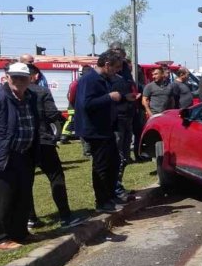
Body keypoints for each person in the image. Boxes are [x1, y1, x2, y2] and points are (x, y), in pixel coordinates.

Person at [0, 63, 39, 250]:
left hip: (23, 155)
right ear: (7, 77)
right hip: (0, 157)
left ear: (30, 79)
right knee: (2, 199)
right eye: (15, 77)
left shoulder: (30, 97)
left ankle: (19, 233)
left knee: (22, 196)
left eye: (23, 77)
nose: (19, 81)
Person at [24, 64, 85, 229]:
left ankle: (30, 218)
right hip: (43, 141)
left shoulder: (12, 93)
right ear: (35, 76)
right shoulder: (41, 91)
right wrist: (60, 119)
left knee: (26, 182)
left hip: (23, 143)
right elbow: (51, 114)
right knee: (56, 177)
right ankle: (65, 216)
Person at [75, 51, 132, 213]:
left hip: (105, 128)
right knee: (101, 166)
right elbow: (87, 104)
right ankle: (102, 201)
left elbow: (107, 98)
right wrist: (109, 97)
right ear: (107, 64)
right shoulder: (90, 79)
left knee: (113, 163)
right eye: (116, 67)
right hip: (94, 130)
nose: (117, 71)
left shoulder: (104, 79)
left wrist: (123, 97)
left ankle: (110, 195)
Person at [111, 52, 140, 201]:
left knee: (124, 156)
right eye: (117, 56)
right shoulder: (110, 77)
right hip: (117, 119)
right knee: (118, 156)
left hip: (128, 116)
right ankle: (114, 188)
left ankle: (118, 185)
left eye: (122, 56)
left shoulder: (125, 72)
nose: (120, 59)